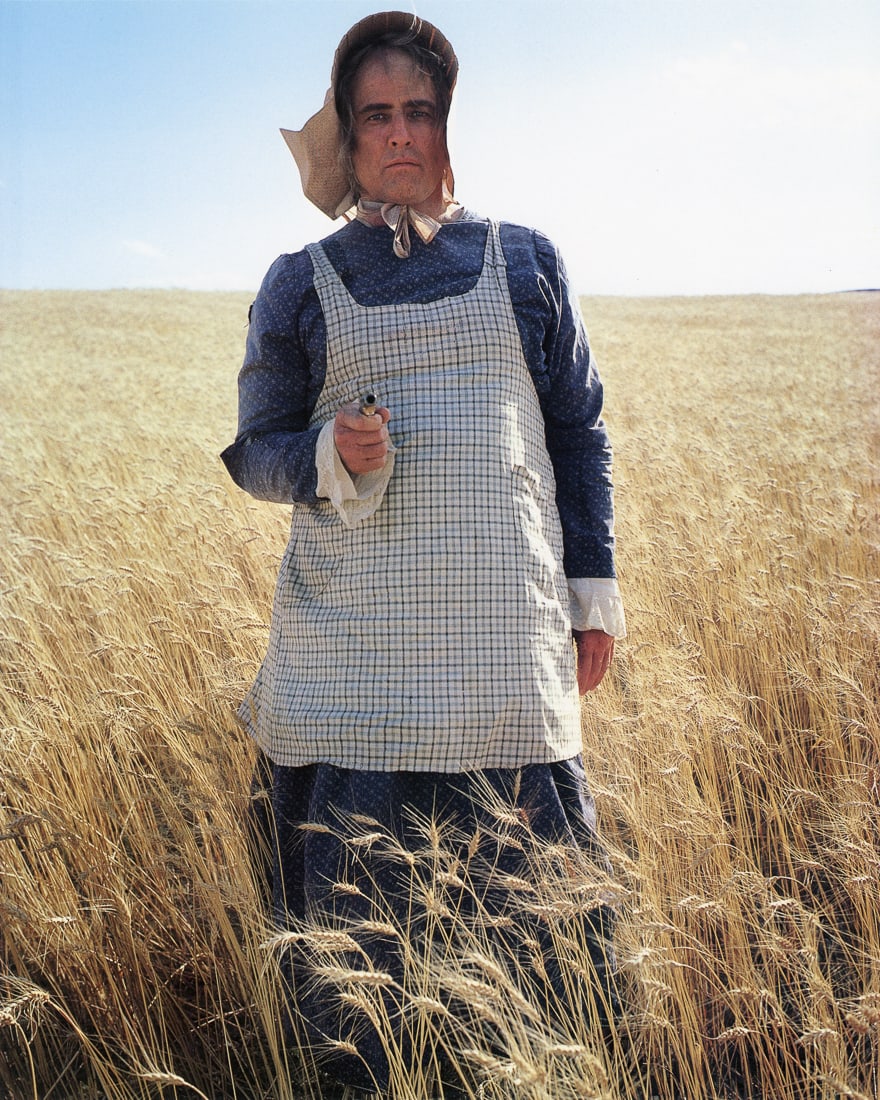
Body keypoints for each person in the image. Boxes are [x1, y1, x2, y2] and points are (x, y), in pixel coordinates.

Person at [221, 12, 626, 1098]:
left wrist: (592, 593)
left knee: (537, 971)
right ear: (348, 139)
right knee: (362, 988)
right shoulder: (299, 281)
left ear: (448, 124)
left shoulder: (526, 259)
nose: (399, 133)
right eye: (375, 116)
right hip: (354, 662)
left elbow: (578, 429)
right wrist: (325, 450)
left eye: (418, 111)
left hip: (503, 651)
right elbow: (254, 452)